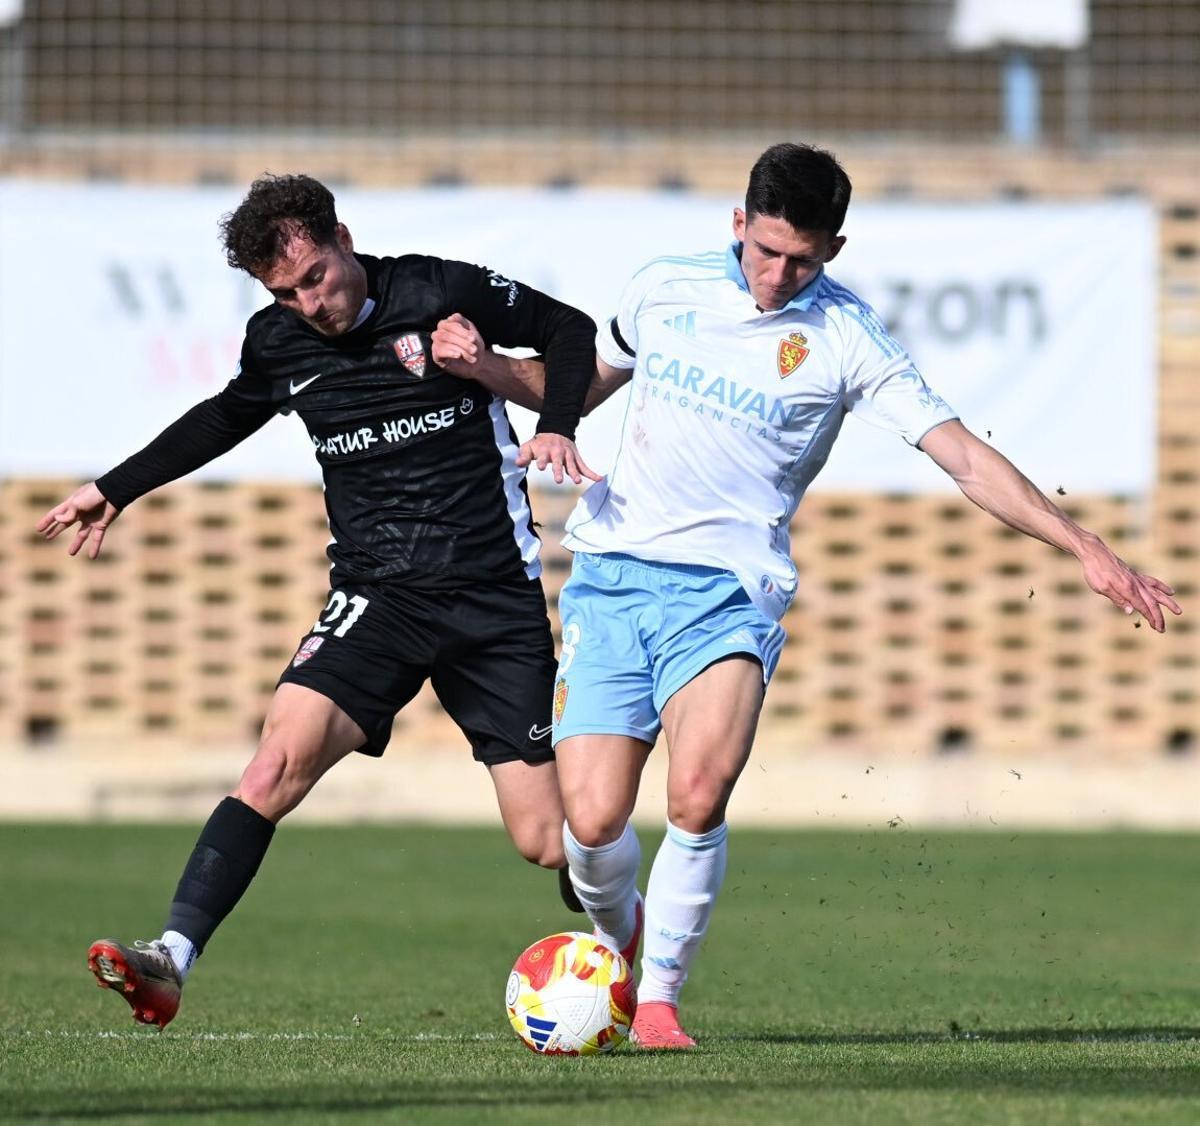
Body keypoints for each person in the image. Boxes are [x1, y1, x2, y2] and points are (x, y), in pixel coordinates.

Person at [430, 141, 1182, 1049]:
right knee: (587, 825)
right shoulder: (663, 290)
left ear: (835, 250)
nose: (780, 276)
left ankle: (659, 1001)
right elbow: (578, 388)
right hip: (613, 576)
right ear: (738, 224)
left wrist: (1079, 541)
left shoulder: (846, 338)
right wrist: (485, 372)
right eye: (767, 251)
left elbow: (964, 456)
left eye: (805, 261)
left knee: (699, 793)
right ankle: (620, 931)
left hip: (730, 595)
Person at [37, 173, 601, 1029]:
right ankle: (171, 959)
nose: (311, 304)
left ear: (342, 236)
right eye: (286, 293)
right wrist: (116, 488)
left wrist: (553, 421)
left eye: (316, 279)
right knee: (275, 760)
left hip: (493, 602)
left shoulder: (435, 288)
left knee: (551, 841)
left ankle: (622, 904)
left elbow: (568, 329)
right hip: (378, 598)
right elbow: (224, 416)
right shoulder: (280, 342)